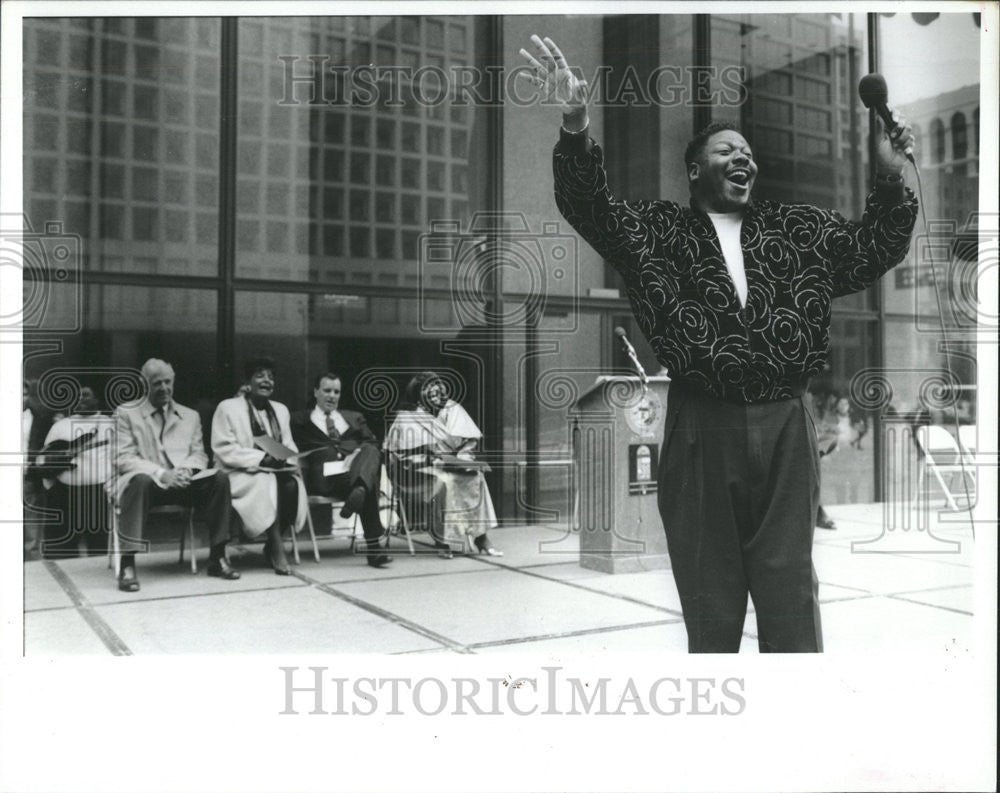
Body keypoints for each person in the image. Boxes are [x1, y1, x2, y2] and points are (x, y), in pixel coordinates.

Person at [523, 35, 917, 651]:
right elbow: (588, 207)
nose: (745, 159)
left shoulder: (796, 231)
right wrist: (575, 126)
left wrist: (890, 179)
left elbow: (875, 248)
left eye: (749, 153)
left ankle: (795, 728)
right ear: (695, 169)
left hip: (786, 423)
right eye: (728, 150)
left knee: (790, 596)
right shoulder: (658, 231)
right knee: (711, 604)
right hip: (701, 424)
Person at [114, 359, 240, 591]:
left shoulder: (190, 416)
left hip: (184, 484)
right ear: (144, 384)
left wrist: (186, 471)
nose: (164, 388)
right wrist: (163, 474)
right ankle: (127, 564)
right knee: (139, 481)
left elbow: (199, 455)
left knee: (219, 479)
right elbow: (124, 458)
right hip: (149, 485)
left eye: (167, 382)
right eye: (157, 383)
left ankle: (218, 556)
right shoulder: (126, 413)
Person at [385, 372, 501, 559]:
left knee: (475, 476)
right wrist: (432, 460)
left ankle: (481, 537)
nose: (435, 396)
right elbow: (400, 456)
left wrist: (463, 459)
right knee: (445, 481)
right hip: (417, 471)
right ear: (417, 395)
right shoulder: (406, 417)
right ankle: (442, 539)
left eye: (437, 391)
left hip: (450, 464)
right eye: (429, 393)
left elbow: (468, 443)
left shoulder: (453, 409)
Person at [211, 357, 307, 575]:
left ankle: (272, 543)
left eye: (271, 377)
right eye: (260, 375)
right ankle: (276, 548)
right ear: (247, 381)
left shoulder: (280, 410)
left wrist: (287, 459)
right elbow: (224, 449)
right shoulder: (228, 408)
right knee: (267, 482)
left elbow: (288, 444)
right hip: (236, 473)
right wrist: (261, 459)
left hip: (273, 472)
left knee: (292, 485)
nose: (267, 381)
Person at [289, 372, 393, 569]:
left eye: (336, 392)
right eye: (327, 390)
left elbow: (372, 442)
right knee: (368, 479)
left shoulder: (353, 417)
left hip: (351, 473)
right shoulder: (299, 419)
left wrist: (355, 455)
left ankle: (359, 489)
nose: (332, 396)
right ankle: (373, 548)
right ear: (316, 392)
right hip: (324, 476)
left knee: (370, 451)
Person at [37, 384, 115, 557]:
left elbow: (118, 460)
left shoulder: (110, 425)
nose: (80, 398)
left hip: (98, 495)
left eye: (86, 395)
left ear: (97, 399)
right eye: (77, 395)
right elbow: (43, 459)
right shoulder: (60, 426)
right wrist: (52, 487)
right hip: (64, 496)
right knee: (61, 549)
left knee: (98, 549)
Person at [23, 377, 61, 560]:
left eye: (25, 394)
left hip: (29, 477)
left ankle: (33, 570)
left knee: (32, 533)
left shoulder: (43, 418)